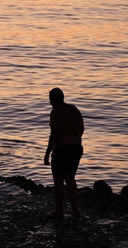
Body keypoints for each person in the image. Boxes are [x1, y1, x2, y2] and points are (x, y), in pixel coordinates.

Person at [44, 88, 84, 218]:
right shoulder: (73, 109)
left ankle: (59, 211)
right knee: (70, 179)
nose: (50, 102)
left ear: (54, 99)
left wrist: (47, 154)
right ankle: (75, 210)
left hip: (62, 150)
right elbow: (82, 128)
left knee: (58, 180)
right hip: (76, 148)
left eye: (50, 99)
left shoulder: (55, 112)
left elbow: (54, 135)